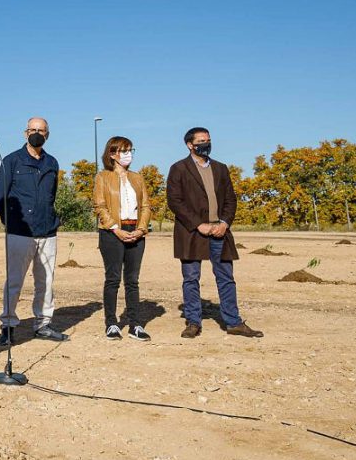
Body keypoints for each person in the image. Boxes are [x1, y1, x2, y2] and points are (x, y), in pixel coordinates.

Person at [166, 127, 263, 339]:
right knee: (191, 278)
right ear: (190, 145)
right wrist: (198, 224)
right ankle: (193, 322)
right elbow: (175, 201)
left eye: (208, 140)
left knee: (226, 277)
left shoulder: (221, 168)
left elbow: (231, 199)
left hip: (220, 231)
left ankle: (233, 322)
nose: (205, 144)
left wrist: (225, 223)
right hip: (192, 232)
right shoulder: (179, 169)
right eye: (201, 140)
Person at [0, 117, 67, 346]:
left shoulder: (52, 163)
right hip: (19, 232)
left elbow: (52, 194)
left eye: (41, 130)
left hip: (47, 231)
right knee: (14, 280)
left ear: (47, 134)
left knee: (45, 281)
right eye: (33, 130)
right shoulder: (12, 161)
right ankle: (8, 325)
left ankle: (43, 323)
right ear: (25, 133)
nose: (37, 133)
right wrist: (12, 221)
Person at [93, 136, 152, 341]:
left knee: (132, 280)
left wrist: (141, 229)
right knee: (113, 279)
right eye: (124, 150)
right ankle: (111, 324)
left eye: (130, 150)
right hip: (111, 232)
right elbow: (99, 206)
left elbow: (145, 205)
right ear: (112, 154)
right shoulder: (103, 177)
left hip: (135, 230)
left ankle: (135, 324)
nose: (128, 154)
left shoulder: (138, 178)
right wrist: (115, 228)